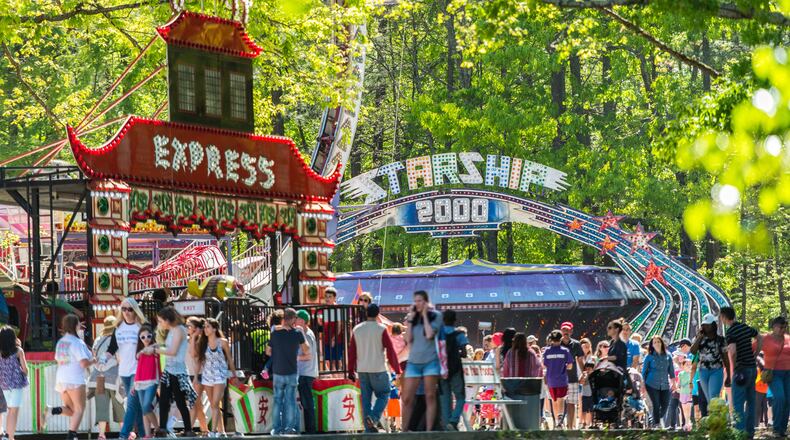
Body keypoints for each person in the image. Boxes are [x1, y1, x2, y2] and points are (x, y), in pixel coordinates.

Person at [348, 303, 401, 432]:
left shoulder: (357, 329)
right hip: (379, 369)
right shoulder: (381, 329)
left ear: (366, 313)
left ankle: (369, 429)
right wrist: (397, 369)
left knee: (365, 400)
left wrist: (350, 370)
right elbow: (390, 350)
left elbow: (352, 352)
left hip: (362, 370)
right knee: (384, 394)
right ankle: (373, 417)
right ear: (378, 314)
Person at [43, 314, 95, 440]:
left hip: (61, 379)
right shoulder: (77, 342)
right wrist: (94, 360)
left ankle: (52, 410)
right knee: (79, 409)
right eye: (78, 323)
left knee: (71, 410)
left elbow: (58, 359)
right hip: (75, 379)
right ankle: (71, 436)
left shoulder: (61, 342)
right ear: (75, 325)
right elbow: (83, 363)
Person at [401, 290, 442, 432]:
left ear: (426, 302)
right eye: (416, 301)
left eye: (420, 301)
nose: (417, 304)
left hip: (430, 361)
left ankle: (429, 430)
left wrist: (424, 315)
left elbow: (430, 334)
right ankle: (404, 430)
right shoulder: (412, 317)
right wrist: (411, 320)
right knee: (407, 398)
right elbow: (407, 339)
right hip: (413, 362)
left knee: (430, 395)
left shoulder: (435, 316)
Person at [152, 306, 196, 437]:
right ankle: (163, 428)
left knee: (180, 401)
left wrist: (155, 350)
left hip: (178, 371)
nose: (160, 324)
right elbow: (170, 349)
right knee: (164, 400)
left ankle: (188, 429)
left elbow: (173, 351)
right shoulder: (172, 331)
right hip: (169, 369)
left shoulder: (179, 330)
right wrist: (159, 347)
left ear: (167, 319)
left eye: (161, 321)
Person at [266, 308, 311, 435]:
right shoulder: (297, 333)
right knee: (290, 401)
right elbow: (306, 350)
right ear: (293, 319)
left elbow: (268, 351)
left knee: (277, 401)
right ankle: (289, 428)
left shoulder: (275, 333)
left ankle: (276, 429)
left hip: (277, 372)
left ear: (284, 318)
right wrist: (302, 333)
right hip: (291, 372)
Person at [108, 298, 147, 440]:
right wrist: (102, 359)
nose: (126, 312)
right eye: (123, 309)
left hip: (138, 371)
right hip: (123, 371)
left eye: (130, 309)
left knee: (130, 404)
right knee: (136, 407)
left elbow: (150, 346)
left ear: (135, 310)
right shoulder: (118, 327)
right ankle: (144, 435)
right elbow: (112, 348)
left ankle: (123, 436)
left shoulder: (142, 327)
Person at [720, 306, 761, 437]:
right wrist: (756, 354)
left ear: (725, 317)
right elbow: (760, 337)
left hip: (741, 370)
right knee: (751, 401)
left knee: (738, 403)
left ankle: (739, 433)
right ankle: (750, 433)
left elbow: (732, 351)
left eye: (721, 316)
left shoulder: (731, 332)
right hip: (752, 368)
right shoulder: (745, 327)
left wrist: (733, 368)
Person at [198, 318, 237, 437]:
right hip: (207, 375)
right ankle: (222, 431)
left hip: (220, 375)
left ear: (214, 328)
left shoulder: (223, 342)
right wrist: (196, 376)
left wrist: (234, 374)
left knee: (215, 403)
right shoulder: (203, 342)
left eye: (208, 327)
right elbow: (200, 360)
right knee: (213, 405)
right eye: (205, 327)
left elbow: (229, 358)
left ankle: (213, 431)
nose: (205, 329)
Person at [88, 317, 120, 440]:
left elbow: (94, 356)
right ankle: (125, 432)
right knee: (119, 404)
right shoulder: (115, 339)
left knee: (101, 405)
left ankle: (101, 435)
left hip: (99, 378)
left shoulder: (97, 340)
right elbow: (118, 357)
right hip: (113, 377)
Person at [439, 310, 469, 431]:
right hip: (456, 370)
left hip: (441, 370)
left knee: (445, 399)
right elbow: (464, 352)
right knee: (460, 397)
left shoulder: (438, 334)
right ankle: (454, 420)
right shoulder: (459, 334)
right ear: (455, 320)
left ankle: (447, 427)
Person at [690, 313, 730, 402]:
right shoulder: (699, 338)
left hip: (716, 371)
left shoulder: (721, 340)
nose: (705, 327)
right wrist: (699, 338)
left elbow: (726, 359)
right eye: (703, 325)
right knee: (709, 400)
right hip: (702, 371)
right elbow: (692, 351)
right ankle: (718, 415)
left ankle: (719, 414)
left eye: (707, 325)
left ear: (713, 325)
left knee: (713, 397)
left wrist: (729, 375)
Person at [762, 315, 790, 436]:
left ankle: (782, 429)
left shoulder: (788, 338)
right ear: (773, 327)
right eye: (780, 327)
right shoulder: (765, 338)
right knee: (779, 398)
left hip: (788, 374)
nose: (783, 329)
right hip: (773, 373)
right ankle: (776, 428)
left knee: (788, 400)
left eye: (785, 327)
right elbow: (752, 349)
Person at [0, 326, 27, 440]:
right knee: (13, 411)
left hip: (4, 385)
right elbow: (25, 370)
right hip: (16, 385)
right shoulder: (18, 351)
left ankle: (7, 436)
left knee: (9, 410)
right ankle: (10, 437)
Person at [543, 330, 574, 429]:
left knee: (554, 400)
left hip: (551, 380)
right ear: (561, 339)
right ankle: (560, 420)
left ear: (551, 339)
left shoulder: (547, 351)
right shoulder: (565, 351)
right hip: (562, 379)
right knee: (561, 399)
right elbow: (570, 366)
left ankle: (557, 421)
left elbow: (544, 365)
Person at [133, 324, 160, 439]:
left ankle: (158, 428)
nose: (146, 339)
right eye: (142, 337)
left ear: (152, 336)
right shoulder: (139, 350)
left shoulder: (155, 347)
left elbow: (155, 353)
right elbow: (138, 368)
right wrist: (134, 384)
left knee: (145, 407)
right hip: (139, 382)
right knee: (144, 410)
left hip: (152, 381)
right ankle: (148, 434)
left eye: (148, 336)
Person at [642, 335, 674, 428]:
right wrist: (643, 385)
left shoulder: (668, 355)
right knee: (656, 404)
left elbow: (671, 371)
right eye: (654, 342)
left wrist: (674, 384)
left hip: (665, 384)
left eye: (658, 341)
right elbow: (644, 372)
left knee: (665, 405)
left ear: (662, 343)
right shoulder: (649, 356)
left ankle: (653, 419)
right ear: (652, 345)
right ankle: (656, 424)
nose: (657, 343)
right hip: (651, 384)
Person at [295, 309, 319, 434]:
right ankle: (310, 430)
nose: (294, 321)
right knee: (307, 402)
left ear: (303, 321)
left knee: (307, 402)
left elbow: (308, 356)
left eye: (297, 318)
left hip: (306, 372)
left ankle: (311, 431)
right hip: (306, 372)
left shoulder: (307, 334)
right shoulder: (306, 332)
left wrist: (294, 358)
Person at [185, 317, 209, 434]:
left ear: (196, 329)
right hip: (189, 374)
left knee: (194, 403)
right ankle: (205, 430)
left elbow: (194, 355)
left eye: (189, 326)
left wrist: (194, 337)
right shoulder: (187, 340)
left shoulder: (199, 341)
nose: (187, 328)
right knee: (198, 406)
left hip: (197, 375)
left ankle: (188, 429)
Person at [559, 321, 584, 429]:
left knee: (571, 403)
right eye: (564, 330)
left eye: (568, 330)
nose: (566, 332)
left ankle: (570, 427)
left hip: (572, 378)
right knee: (559, 402)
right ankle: (559, 424)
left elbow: (580, 360)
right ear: (561, 331)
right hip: (558, 378)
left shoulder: (576, 344)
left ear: (571, 331)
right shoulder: (556, 343)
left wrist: (584, 374)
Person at [321, 288, 343, 371]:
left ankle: (338, 375)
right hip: (327, 338)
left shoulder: (336, 308)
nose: (327, 298)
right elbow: (325, 324)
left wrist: (334, 338)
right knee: (329, 360)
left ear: (334, 298)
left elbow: (339, 325)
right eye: (326, 296)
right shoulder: (325, 308)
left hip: (336, 339)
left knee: (336, 360)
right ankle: (332, 375)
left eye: (330, 296)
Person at [678, 357, 693, 430]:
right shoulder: (680, 374)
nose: (689, 366)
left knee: (688, 410)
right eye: (687, 364)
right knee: (684, 411)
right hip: (682, 394)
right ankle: (686, 424)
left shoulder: (692, 374)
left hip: (689, 393)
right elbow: (679, 384)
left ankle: (688, 424)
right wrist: (678, 388)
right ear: (683, 366)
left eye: (690, 364)